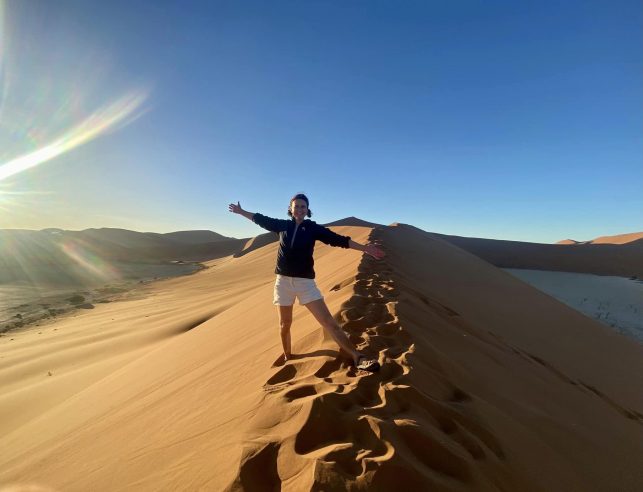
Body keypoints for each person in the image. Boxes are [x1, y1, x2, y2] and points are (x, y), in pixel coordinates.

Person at [228, 193, 385, 372]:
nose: (300, 209)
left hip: (305, 283)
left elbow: (339, 240)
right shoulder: (282, 225)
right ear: (290, 209)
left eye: (303, 206)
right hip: (283, 283)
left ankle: (358, 357)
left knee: (328, 321)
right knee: (284, 324)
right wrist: (241, 212)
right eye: (296, 206)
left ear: (307, 210)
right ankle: (288, 355)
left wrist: (366, 248)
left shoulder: (313, 228)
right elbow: (260, 219)